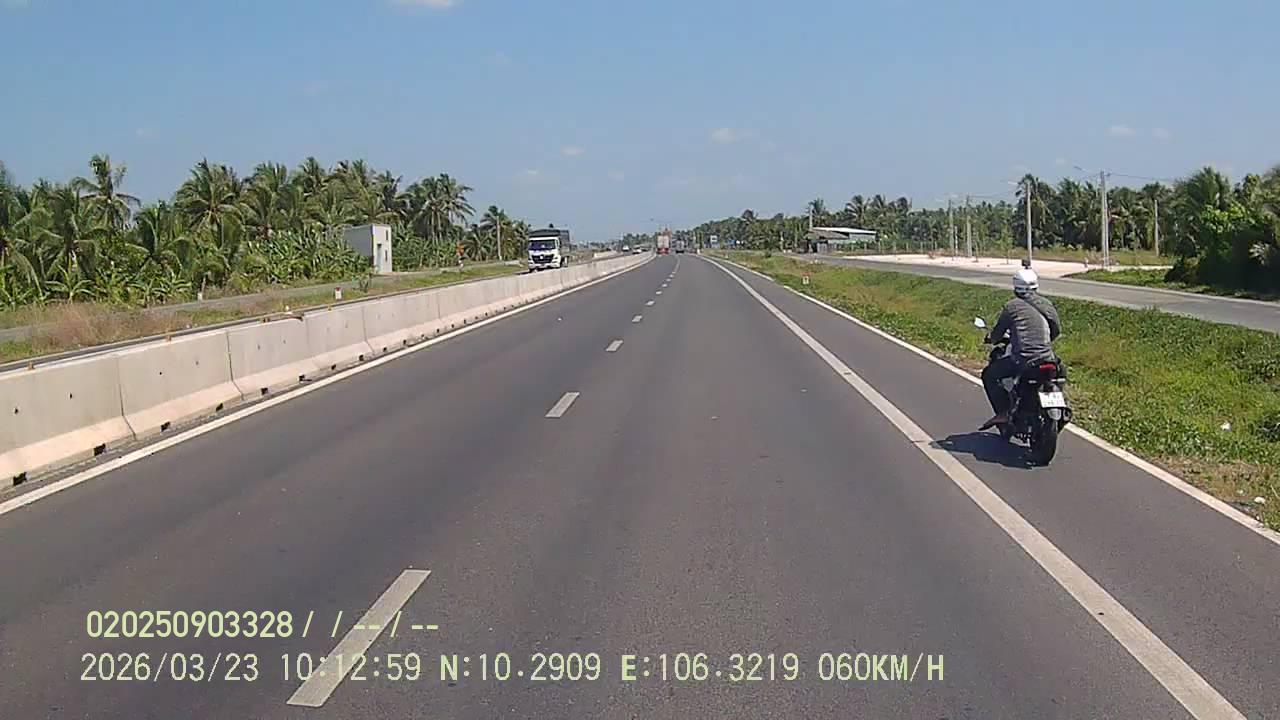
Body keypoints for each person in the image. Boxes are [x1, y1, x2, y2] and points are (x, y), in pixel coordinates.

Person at [980, 265, 1061, 429]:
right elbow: (1056, 330)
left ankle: (1003, 412)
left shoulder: (1011, 307)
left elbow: (998, 333)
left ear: (1015, 287)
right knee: (1060, 373)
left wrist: (991, 339)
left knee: (989, 375)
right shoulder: (1047, 304)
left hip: (1023, 359)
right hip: (1048, 357)